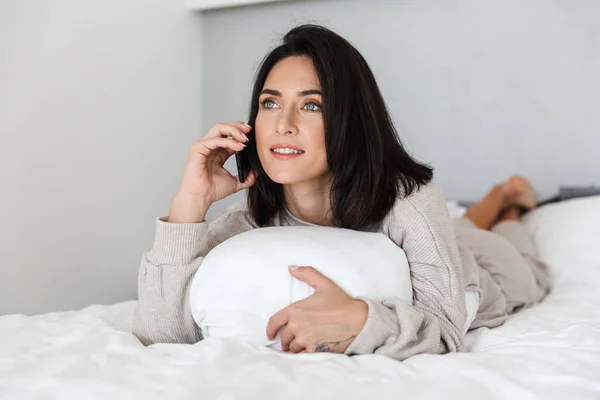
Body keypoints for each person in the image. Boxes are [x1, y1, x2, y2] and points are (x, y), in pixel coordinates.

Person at [132, 24, 550, 360]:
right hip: (447, 240)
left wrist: (364, 320)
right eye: (270, 103)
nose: (284, 124)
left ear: (350, 120)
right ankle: (491, 205)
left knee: (521, 259)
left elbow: (445, 329)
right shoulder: (252, 219)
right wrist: (189, 203)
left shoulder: (410, 199)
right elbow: (161, 332)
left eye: (312, 105)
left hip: (487, 272)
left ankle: (510, 201)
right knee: (460, 228)